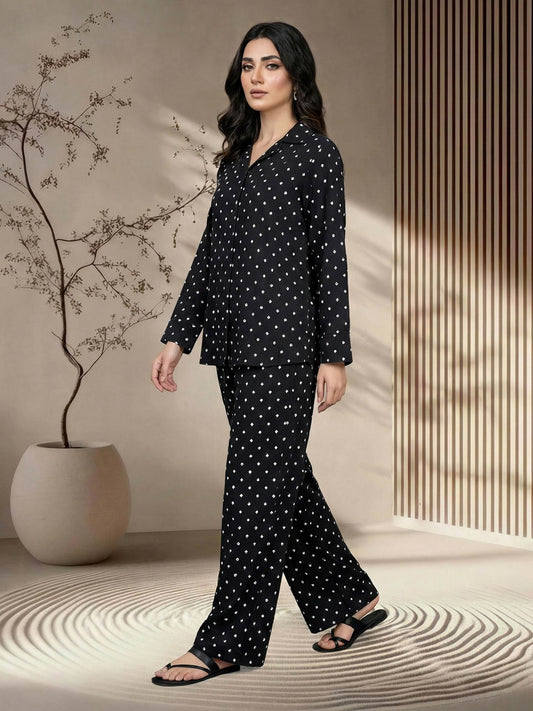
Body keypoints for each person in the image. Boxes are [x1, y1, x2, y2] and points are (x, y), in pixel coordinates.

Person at [150, 21, 386, 687]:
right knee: (280, 480)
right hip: (232, 344)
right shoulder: (235, 157)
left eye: (271, 64)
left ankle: (226, 641)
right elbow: (210, 254)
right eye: (248, 64)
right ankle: (350, 599)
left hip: (287, 348)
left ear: (294, 75)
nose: (256, 76)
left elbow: (329, 258)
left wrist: (334, 355)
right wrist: (178, 335)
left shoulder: (316, 155)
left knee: (253, 488)